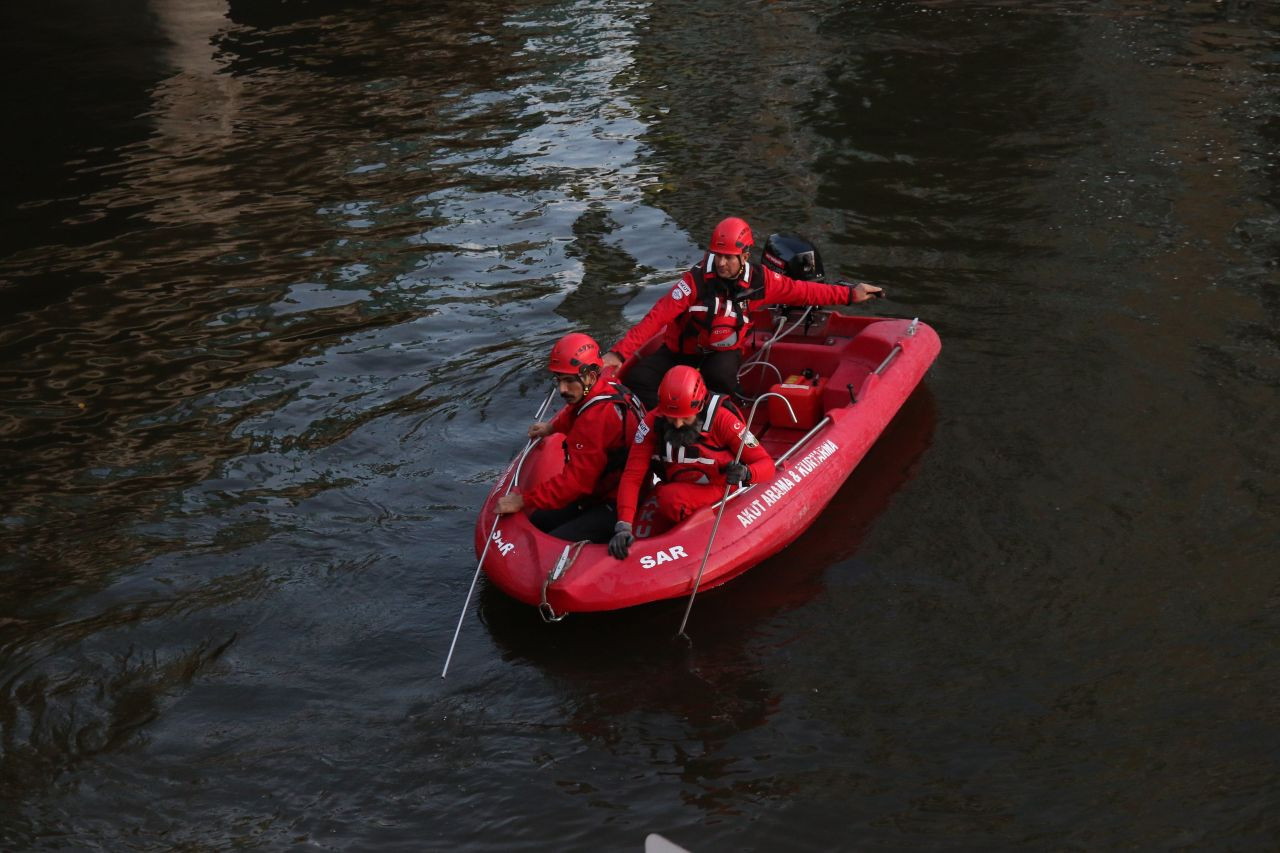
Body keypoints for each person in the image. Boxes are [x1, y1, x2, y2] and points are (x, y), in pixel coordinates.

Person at [601, 217, 883, 408]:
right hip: (681, 352)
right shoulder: (694, 282)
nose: (721, 263)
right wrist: (619, 353)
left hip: (722, 352)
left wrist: (849, 294)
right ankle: (665, 423)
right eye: (717, 255)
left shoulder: (763, 281)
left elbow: (805, 292)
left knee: (721, 380)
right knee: (638, 380)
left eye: (728, 257)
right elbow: (658, 317)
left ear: (744, 257)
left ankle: (719, 419)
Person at [608, 365, 775, 560]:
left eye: (684, 418)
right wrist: (623, 525)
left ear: (700, 406)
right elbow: (633, 475)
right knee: (658, 506)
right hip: (678, 486)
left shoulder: (723, 420)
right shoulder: (652, 423)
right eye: (671, 418)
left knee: (669, 499)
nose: (677, 425)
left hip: (719, 487)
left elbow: (766, 464)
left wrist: (746, 473)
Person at [495, 332, 644, 543]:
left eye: (568, 381)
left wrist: (523, 500)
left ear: (590, 376)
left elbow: (575, 484)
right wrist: (552, 427)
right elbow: (578, 409)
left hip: (616, 501)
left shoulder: (594, 421)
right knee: (539, 520)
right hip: (605, 489)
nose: (561, 389)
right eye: (558, 380)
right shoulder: (605, 385)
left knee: (552, 541)